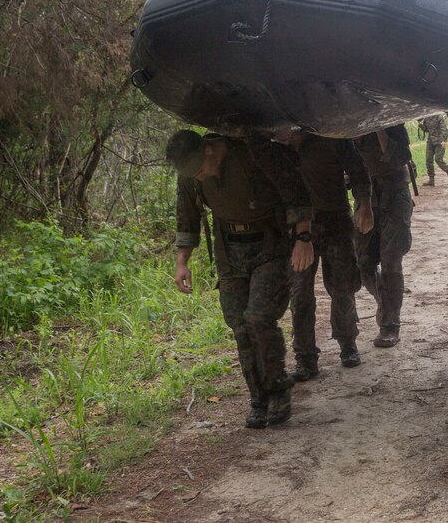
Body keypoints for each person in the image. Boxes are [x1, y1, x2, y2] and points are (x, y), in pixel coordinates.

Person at [167, 130, 313, 429]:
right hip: (228, 251)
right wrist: (182, 261)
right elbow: (187, 215)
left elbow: (295, 190)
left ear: (209, 151)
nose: (198, 178)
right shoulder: (190, 172)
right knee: (239, 323)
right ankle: (258, 398)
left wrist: (304, 238)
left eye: (198, 172)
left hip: (270, 245)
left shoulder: (253, 152)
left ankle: (277, 388)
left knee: (259, 316)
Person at [283, 133, 375, 381]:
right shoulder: (275, 146)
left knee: (342, 286)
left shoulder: (331, 136)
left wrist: (364, 205)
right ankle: (305, 357)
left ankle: (347, 343)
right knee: (300, 293)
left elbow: (358, 171)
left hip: (334, 221)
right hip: (296, 229)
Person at [352, 125, 414, 348]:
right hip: (365, 199)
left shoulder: (393, 125)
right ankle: (385, 302)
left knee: (391, 263)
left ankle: (390, 325)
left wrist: (378, 129)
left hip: (395, 196)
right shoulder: (345, 128)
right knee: (363, 262)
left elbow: (401, 158)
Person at [418, 113, 448, 186]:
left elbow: (444, 130)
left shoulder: (439, 116)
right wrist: (420, 123)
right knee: (428, 160)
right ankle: (431, 180)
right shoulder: (426, 117)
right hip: (430, 141)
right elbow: (426, 130)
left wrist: (444, 141)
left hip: (440, 141)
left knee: (438, 159)